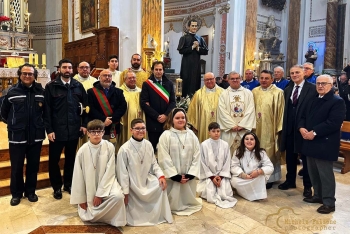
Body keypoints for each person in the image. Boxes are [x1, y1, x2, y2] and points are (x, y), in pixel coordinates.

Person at [299, 75, 345, 214]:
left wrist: (314, 132)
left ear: (331, 85)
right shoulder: (313, 99)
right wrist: (301, 128)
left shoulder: (337, 101)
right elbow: (302, 116)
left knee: (325, 175)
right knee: (313, 172)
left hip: (324, 143)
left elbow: (333, 123)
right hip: (310, 141)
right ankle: (318, 196)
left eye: (324, 83)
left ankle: (329, 202)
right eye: (318, 83)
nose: (320, 86)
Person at [44, 58, 88, 199]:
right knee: (54, 160)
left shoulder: (78, 86)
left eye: (69, 67)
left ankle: (68, 184)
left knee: (71, 159)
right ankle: (56, 187)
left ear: (72, 69)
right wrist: (49, 130)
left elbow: (86, 107)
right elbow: (47, 110)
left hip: (74, 129)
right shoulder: (51, 86)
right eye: (64, 67)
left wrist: (84, 124)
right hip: (57, 131)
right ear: (59, 69)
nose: (67, 70)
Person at [1, 64, 44, 206]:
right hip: (17, 136)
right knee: (16, 167)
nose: (27, 76)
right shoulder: (11, 91)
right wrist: (14, 123)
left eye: (30, 74)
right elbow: (3, 112)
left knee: (33, 166)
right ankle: (16, 193)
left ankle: (30, 191)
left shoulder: (41, 91)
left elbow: (46, 112)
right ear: (19, 75)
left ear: (34, 75)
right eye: (24, 73)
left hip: (36, 135)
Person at [116, 119, 173, 226]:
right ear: (131, 130)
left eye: (143, 128)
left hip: (145, 179)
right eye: (137, 128)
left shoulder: (148, 144)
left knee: (160, 185)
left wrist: (161, 176)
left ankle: (157, 215)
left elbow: (154, 164)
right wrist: (125, 191)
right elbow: (122, 172)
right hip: (132, 184)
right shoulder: (124, 149)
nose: (141, 131)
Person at [70, 120, 126, 227]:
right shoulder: (82, 151)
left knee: (118, 197)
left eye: (99, 132)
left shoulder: (109, 146)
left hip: (107, 183)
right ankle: (99, 217)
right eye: (93, 132)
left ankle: (111, 218)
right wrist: (81, 199)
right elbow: (78, 176)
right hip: (89, 186)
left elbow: (110, 171)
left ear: (103, 132)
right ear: (88, 133)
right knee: (89, 207)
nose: (96, 135)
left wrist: (100, 194)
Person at [279, 65, 316, 197]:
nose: (294, 75)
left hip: (305, 129)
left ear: (304, 73)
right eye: (292, 73)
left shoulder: (312, 89)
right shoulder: (288, 89)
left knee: (305, 159)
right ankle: (290, 181)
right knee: (290, 157)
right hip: (290, 129)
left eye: (297, 72)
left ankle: (307, 185)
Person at [158, 108, 202, 215]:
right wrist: (175, 176)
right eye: (177, 118)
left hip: (188, 176)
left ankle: (188, 201)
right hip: (173, 178)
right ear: (171, 120)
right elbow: (164, 156)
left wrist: (190, 174)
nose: (180, 120)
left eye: (183, 117)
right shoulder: (166, 135)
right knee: (173, 198)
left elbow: (197, 154)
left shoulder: (191, 134)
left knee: (188, 198)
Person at [252, 70, 284, 189]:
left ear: (272, 79)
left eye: (266, 78)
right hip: (256, 127)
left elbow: (280, 112)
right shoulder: (254, 91)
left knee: (268, 150)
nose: (264, 80)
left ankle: (270, 177)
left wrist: (278, 129)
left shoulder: (278, 93)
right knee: (256, 150)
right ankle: (256, 174)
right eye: (262, 78)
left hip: (270, 128)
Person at [197, 122, 237, 208]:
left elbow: (227, 161)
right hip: (208, 175)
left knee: (225, 192)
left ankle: (220, 180)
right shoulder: (204, 145)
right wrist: (212, 177)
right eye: (213, 131)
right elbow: (202, 162)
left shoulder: (225, 145)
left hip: (221, 174)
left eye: (218, 131)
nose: (216, 133)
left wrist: (221, 176)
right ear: (209, 132)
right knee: (209, 191)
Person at [140, 61, 176, 152]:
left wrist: (166, 115)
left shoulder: (169, 84)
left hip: (166, 121)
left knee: (166, 148)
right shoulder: (147, 84)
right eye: (156, 69)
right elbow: (143, 103)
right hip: (153, 121)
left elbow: (173, 102)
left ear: (163, 71)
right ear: (152, 70)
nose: (158, 71)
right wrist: (157, 116)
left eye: (160, 69)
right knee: (153, 148)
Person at [217, 71, 256, 154]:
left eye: (237, 78)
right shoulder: (223, 94)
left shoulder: (248, 93)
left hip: (244, 130)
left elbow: (251, 110)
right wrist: (232, 125)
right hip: (229, 131)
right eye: (232, 79)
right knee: (228, 155)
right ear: (228, 80)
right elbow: (222, 111)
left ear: (241, 79)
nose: (235, 80)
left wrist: (242, 125)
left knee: (245, 154)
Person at [230, 132, 274, 201]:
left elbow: (270, 167)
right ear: (243, 141)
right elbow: (233, 166)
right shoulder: (238, 151)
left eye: (252, 139)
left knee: (262, 177)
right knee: (234, 181)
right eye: (246, 139)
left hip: (255, 177)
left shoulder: (261, 152)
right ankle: (248, 193)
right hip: (243, 177)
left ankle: (249, 193)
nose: (249, 141)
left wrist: (259, 171)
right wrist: (243, 175)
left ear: (255, 141)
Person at [87, 69, 127, 142]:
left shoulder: (118, 91)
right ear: (99, 78)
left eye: (109, 76)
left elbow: (123, 106)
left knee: (112, 149)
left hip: (113, 125)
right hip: (98, 126)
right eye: (105, 76)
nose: (107, 78)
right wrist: (103, 119)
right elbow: (91, 109)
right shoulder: (91, 92)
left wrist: (112, 119)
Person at [187, 72, 224, 143]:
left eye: (211, 79)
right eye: (207, 80)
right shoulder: (198, 94)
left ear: (215, 79)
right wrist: (195, 125)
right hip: (203, 125)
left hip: (220, 124)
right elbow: (193, 111)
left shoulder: (223, 92)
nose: (209, 81)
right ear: (204, 81)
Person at [177, 19, 208, 97]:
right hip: (186, 65)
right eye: (192, 26)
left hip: (196, 66)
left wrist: (198, 48)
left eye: (196, 26)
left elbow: (206, 51)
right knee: (186, 82)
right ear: (188, 27)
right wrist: (192, 47)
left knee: (195, 82)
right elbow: (181, 50)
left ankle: (195, 101)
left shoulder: (200, 38)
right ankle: (184, 101)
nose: (194, 27)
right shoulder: (184, 38)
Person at [118, 71, 145, 147]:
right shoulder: (120, 91)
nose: (132, 79)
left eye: (133, 77)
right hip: (125, 120)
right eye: (129, 78)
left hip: (139, 117)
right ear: (125, 79)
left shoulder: (140, 91)